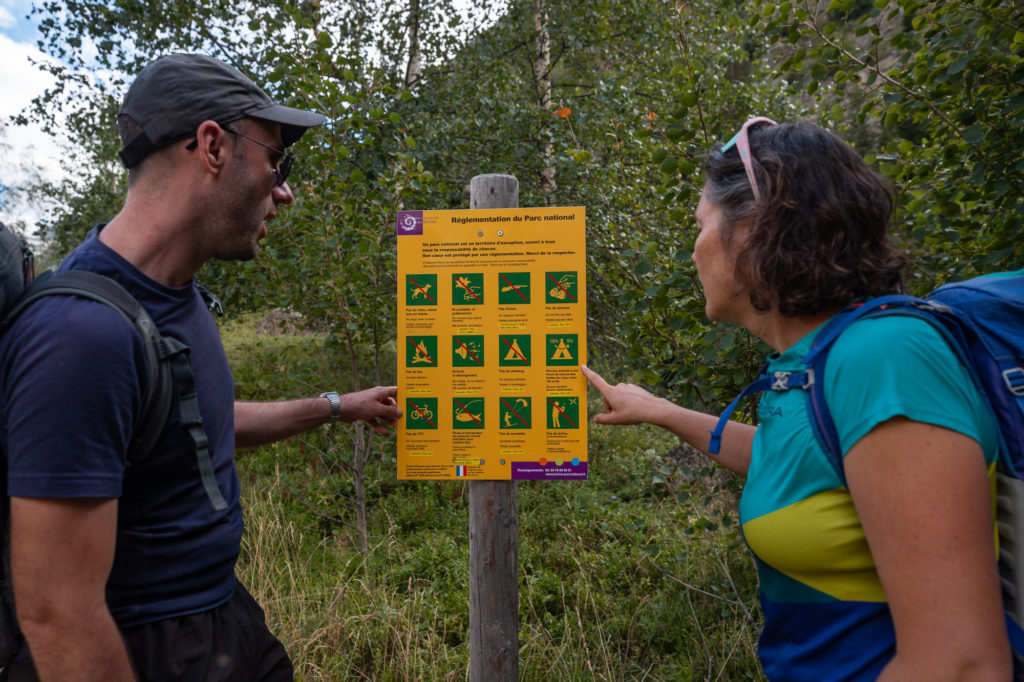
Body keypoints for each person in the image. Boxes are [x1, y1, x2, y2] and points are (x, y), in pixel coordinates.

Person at [0, 53, 402, 682]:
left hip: (222, 619)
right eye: (277, 161)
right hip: (148, 646)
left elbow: (191, 422)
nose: (284, 190)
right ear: (212, 146)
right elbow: (59, 612)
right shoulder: (82, 336)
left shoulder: (170, 293)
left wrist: (338, 406)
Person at [581, 119, 1012, 680]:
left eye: (701, 225)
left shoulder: (886, 359)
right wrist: (659, 411)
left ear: (754, 229)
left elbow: (962, 664)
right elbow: (806, 468)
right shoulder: (815, 358)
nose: (694, 251)